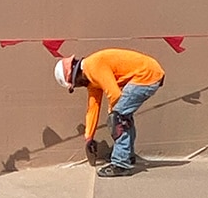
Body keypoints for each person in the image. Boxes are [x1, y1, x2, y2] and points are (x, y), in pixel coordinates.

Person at [54, 49, 165, 178]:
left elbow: (115, 94)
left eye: (75, 85)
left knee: (117, 119)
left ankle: (121, 163)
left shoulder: (93, 66)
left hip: (146, 75)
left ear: (75, 76)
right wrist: (89, 137)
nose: (78, 87)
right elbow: (93, 108)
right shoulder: (91, 78)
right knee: (122, 117)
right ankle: (126, 156)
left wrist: (114, 116)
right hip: (147, 73)